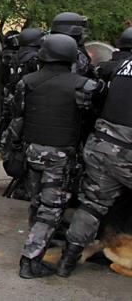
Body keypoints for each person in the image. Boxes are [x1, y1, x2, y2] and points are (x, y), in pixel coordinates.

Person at [4, 34, 104, 279]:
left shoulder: (26, 82)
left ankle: (38, 245)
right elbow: (93, 116)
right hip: (59, 156)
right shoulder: (83, 85)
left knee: (38, 204)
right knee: (50, 210)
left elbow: (17, 119)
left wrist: (14, 149)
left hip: (32, 153)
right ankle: (30, 261)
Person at [55, 57, 130, 278]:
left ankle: (68, 259)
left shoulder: (123, 65)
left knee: (92, 205)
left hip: (101, 146)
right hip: (127, 151)